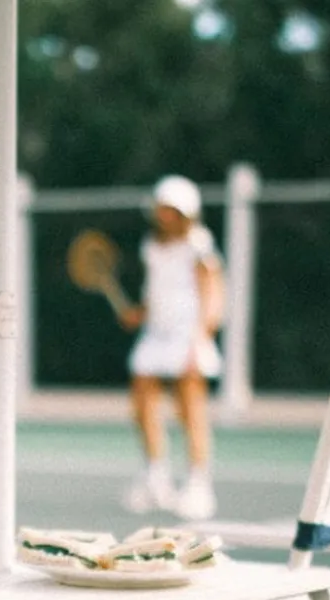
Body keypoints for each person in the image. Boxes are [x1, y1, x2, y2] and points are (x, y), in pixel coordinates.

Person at [120, 174, 226, 521]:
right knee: (142, 399)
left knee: (190, 406)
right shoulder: (151, 246)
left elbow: (212, 293)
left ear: (187, 214)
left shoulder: (200, 246)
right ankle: (156, 475)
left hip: (188, 335)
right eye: (162, 209)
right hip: (157, 333)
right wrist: (141, 312)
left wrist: (202, 337)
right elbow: (157, 291)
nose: (165, 216)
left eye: (173, 210)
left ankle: (198, 483)